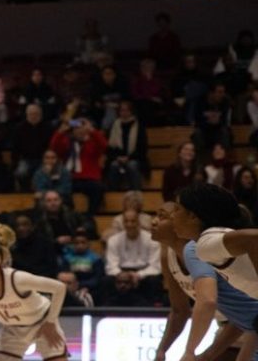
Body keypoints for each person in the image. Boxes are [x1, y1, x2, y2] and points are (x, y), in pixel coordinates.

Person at [150, 202, 248, 361]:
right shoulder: (167, 256)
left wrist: (197, 353)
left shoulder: (201, 251)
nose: (153, 221)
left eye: (162, 216)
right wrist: (161, 350)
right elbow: (179, 311)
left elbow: (244, 308)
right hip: (232, 326)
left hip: (243, 325)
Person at [0, 224, 68, 361]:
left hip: (42, 322)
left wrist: (50, 322)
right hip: (12, 329)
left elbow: (60, 287)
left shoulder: (17, 279)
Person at [175, 184, 258, 300]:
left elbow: (253, 238)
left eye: (177, 209)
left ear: (192, 216)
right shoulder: (215, 237)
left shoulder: (205, 244)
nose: (172, 216)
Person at [49, 117, 106, 215]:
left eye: (81, 128)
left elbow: (104, 145)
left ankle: (90, 216)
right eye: (76, 128)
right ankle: (71, 216)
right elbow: (54, 147)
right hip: (70, 178)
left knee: (98, 188)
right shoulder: (67, 142)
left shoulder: (93, 142)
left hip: (89, 179)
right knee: (61, 190)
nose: (79, 131)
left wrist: (92, 130)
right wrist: (60, 131)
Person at [105, 101, 149, 191]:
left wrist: (129, 157)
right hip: (117, 158)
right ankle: (113, 194)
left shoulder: (139, 126)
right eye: (122, 110)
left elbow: (142, 148)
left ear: (131, 111)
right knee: (113, 166)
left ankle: (136, 194)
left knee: (132, 165)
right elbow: (109, 148)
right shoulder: (114, 126)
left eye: (126, 110)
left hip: (135, 158)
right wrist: (117, 157)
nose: (124, 113)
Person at [11, 105, 54, 192]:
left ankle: (41, 193)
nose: (34, 116)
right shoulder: (19, 128)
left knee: (43, 173)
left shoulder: (48, 127)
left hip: (43, 159)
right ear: (27, 115)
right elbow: (15, 148)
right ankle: (25, 192)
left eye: (36, 114)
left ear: (41, 115)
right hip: (25, 159)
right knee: (20, 173)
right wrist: (14, 164)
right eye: (31, 114)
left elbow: (52, 147)